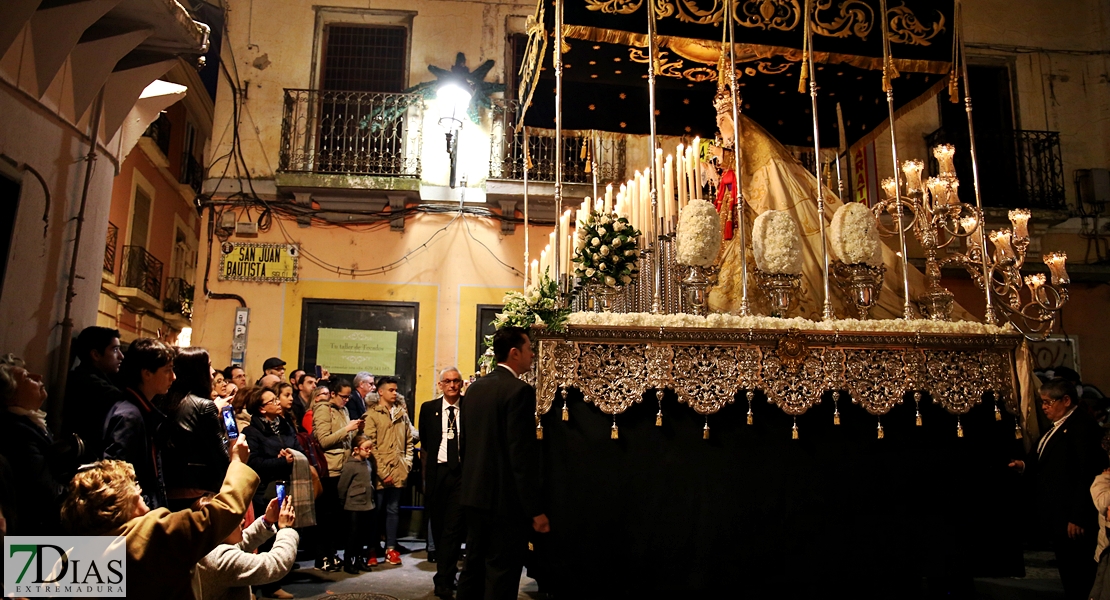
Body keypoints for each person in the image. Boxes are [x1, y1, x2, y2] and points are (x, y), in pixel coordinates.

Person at [60, 436, 258, 600]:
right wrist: (238, 463)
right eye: (135, 490)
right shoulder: (152, 534)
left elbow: (32, 578)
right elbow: (221, 513)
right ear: (121, 503)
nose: (141, 493)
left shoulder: (70, 558)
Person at [457, 327, 549, 600]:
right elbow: (520, 456)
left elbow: (466, 446)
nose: (533, 354)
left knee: (472, 567)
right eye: (529, 348)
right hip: (504, 503)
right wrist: (535, 509)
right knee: (501, 573)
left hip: (474, 496)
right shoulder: (518, 391)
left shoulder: (474, 389)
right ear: (514, 353)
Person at [1009, 378, 1109, 600]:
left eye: (1048, 402)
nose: (1044, 407)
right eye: (1042, 402)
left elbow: (1086, 473)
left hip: (1073, 519)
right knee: (1068, 574)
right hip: (1057, 516)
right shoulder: (1057, 427)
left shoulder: (1081, 427)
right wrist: (1024, 465)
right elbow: (1045, 459)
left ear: (1066, 400)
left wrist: (1078, 516)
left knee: (1080, 576)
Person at [0, 354, 80, 535]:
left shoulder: (31, 422)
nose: (39, 377)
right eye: (27, 377)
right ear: (11, 396)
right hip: (33, 536)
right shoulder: (17, 433)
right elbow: (45, 492)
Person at [104, 337, 175, 510]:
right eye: (167, 370)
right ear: (147, 373)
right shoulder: (129, 416)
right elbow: (116, 474)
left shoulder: (140, 410)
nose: (173, 377)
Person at [160, 347, 231, 511]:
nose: (213, 372)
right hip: (197, 490)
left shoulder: (166, 400)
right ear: (197, 371)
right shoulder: (204, 406)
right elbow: (220, 457)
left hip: (168, 488)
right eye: (209, 366)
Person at [419, 366, 467, 598]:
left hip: (460, 474)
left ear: (461, 383)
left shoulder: (468, 407)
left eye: (456, 381)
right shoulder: (429, 409)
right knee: (439, 528)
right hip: (438, 473)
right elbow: (426, 444)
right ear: (440, 385)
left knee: (453, 529)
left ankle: (444, 579)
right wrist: (426, 479)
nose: (452, 385)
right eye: (447, 381)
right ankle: (444, 575)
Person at [195, 495, 299, 600]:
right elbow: (276, 564)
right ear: (220, 526)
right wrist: (287, 529)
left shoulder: (205, 547)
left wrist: (267, 521)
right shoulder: (220, 560)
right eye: (235, 519)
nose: (243, 521)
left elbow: (243, 542)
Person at [363, 375, 413, 566]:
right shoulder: (372, 415)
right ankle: (372, 549)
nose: (395, 393)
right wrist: (383, 472)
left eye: (396, 390)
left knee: (393, 511)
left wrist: (407, 464)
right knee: (375, 512)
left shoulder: (401, 414)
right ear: (380, 392)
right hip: (379, 473)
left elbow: (408, 441)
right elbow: (371, 445)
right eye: (391, 390)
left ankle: (391, 548)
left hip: (399, 470)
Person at [313, 380, 362, 572]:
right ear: (333, 394)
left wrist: (356, 428)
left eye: (349, 397)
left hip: (343, 468)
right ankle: (322, 556)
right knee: (325, 516)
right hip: (329, 470)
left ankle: (332, 553)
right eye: (343, 397)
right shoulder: (323, 410)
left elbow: (345, 439)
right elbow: (324, 441)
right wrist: (347, 429)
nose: (346, 400)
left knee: (335, 517)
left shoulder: (344, 410)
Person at [63, 326, 124, 460]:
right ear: (95, 354)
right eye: (115, 350)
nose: (121, 356)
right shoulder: (89, 384)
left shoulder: (98, 379)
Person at [244, 386, 303, 518]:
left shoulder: (286, 426)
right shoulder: (251, 432)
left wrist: (293, 455)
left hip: (290, 485)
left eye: (277, 399)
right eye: (273, 401)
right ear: (262, 408)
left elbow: (299, 449)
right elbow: (253, 463)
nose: (278, 403)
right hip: (266, 490)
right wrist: (281, 461)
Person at [338, 434, 376, 574]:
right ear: (356, 449)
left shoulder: (367, 463)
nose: (369, 451)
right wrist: (342, 502)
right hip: (353, 505)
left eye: (370, 448)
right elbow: (342, 486)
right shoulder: (350, 466)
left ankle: (359, 560)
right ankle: (348, 562)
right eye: (366, 448)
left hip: (367, 503)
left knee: (362, 535)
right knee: (352, 535)